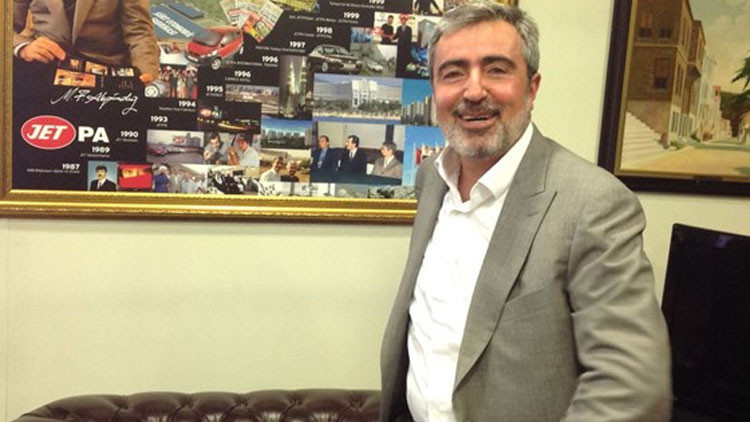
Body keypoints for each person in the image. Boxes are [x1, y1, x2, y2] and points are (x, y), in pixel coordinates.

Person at [379, 3, 672, 422]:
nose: (473, 91)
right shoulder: (432, 178)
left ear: (532, 88)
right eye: (453, 73)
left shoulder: (593, 204)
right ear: (435, 90)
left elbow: (632, 389)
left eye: (496, 69)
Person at [13, 0, 160, 83]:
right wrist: (24, 47)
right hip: (47, 67)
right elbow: (6, 27)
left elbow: (139, 31)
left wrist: (145, 71)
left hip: (104, 72)